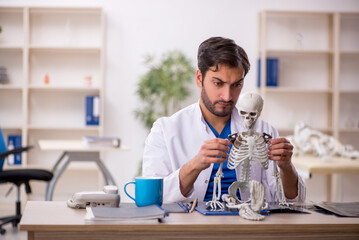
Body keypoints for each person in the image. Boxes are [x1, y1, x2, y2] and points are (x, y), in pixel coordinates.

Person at [142, 37, 306, 204]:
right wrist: (195, 165)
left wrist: (286, 167)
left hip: (249, 226)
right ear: (199, 78)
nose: (227, 96)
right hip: (189, 227)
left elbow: (293, 200)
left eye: (236, 85)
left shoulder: (264, 130)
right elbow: (152, 197)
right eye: (218, 83)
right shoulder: (165, 130)